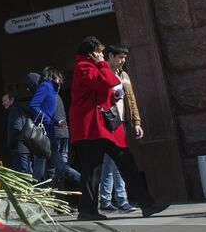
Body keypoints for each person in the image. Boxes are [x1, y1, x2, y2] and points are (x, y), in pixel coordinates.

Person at [70, 37, 167, 220]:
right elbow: (107, 81)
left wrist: (111, 97)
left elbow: (103, 88)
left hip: (101, 126)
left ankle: (144, 204)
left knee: (112, 165)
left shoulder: (88, 67)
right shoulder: (84, 67)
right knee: (99, 169)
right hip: (94, 126)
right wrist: (103, 65)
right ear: (91, 52)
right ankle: (90, 210)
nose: (101, 55)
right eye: (98, 51)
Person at [99, 46, 142, 213]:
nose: (123, 60)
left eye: (124, 57)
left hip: (122, 122)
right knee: (112, 162)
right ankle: (117, 200)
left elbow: (131, 100)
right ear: (110, 56)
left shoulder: (124, 75)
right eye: (120, 57)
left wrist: (136, 122)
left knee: (113, 163)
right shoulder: (103, 73)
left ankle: (109, 200)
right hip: (109, 122)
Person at [36, 67, 81, 194]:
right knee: (55, 169)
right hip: (63, 134)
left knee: (60, 168)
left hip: (53, 136)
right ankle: (57, 200)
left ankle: (87, 183)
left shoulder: (47, 92)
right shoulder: (56, 94)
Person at [5, 74, 46, 179]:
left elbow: (16, 127)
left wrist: (10, 144)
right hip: (26, 148)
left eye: (5, 100)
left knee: (23, 177)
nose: (3, 103)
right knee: (23, 175)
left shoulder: (15, 110)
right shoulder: (24, 109)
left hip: (19, 148)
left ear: (12, 100)